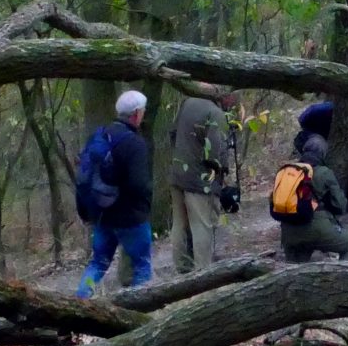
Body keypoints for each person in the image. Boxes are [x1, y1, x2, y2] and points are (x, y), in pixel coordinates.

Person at [77, 90, 156, 296]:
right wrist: (145, 205)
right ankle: (141, 309)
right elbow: (139, 184)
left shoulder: (99, 135)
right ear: (137, 113)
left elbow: (84, 176)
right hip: (130, 218)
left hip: (101, 215)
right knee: (142, 265)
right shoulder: (134, 143)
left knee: (97, 264)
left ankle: (79, 302)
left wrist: (86, 212)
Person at [169, 88, 238, 274]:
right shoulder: (215, 113)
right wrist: (223, 170)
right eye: (231, 97)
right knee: (202, 225)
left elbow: (173, 133)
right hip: (201, 181)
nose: (233, 101)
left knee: (179, 225)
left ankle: (182, 269)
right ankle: (203, 273)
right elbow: (214, 154)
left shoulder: (188, 103)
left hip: (178, 175)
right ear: (222, 95)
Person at [272, 127, 348, 263]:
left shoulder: (288, 171)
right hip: (316, 228)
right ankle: (343, 280)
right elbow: (340, 205)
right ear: (323, 154)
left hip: (289, 234)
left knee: (294, 272)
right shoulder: (324, 172)